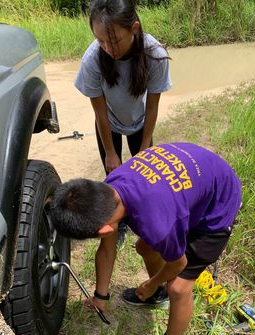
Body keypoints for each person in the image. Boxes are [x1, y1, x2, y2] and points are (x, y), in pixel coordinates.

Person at [51, 142, 242, 335]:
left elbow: (178, 263)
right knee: (144, 246)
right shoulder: (108, 191)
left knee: (179, 287)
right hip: (196, 183)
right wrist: (101, 296)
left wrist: (150, 284)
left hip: (219, 204)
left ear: (104, 229)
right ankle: (157, 296)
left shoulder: (157, 223)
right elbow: (107, 249)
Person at [75, 0, 171, 247]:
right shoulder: (92, 60)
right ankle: (118, 224)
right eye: (100, 41)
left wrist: (145, 146)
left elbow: (152, 106)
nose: (108, 48)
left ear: (134, 28)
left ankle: (145, 219)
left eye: (114, 40)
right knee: (114, 177)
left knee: (147, 175)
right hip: (108, 123)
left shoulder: (155, 55)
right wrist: (109, 152)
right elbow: (99, 113)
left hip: (140, 121)